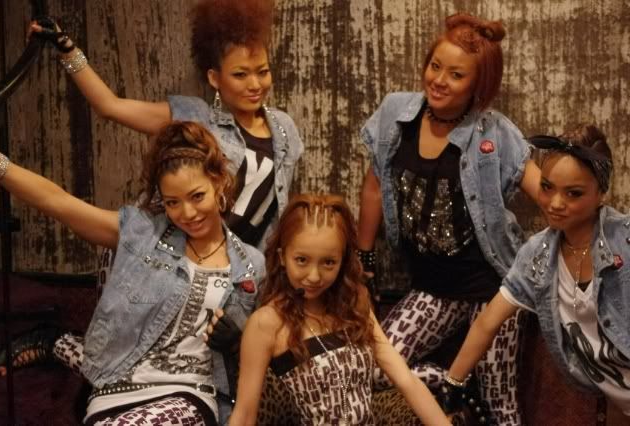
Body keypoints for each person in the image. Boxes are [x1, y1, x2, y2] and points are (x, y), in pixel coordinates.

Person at [0, 121, 265, 425]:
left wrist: (237, 341)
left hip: (187, 394)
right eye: (172, 202)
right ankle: (58, 342)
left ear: (218, 183)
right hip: (114, 390)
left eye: (197, 196)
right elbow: (58, 202)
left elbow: (263, 351)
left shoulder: (251, 266)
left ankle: (57, 343)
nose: (187, 213)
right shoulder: (142, 233)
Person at [356, 13, 541, 425]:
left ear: (478, 85)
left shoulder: (494, 132)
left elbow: (549, 195)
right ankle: (456, 383)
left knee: (501, 405)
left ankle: (475, 388)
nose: (439, 80)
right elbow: (373, 187)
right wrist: (363, 257)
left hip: (493, 290)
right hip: (433, 287)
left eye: (456, 75)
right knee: (374, 369)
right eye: (434, 66)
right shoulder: (396, 115)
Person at [30, 0, 303, 251]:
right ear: (215, 78)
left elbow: (278, 212)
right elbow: (109, 106)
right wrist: (67, 48)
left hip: (240, 268)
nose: (255, 84)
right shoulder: (196, 117)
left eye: (262, 72)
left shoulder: (284, 129)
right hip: (176, 259)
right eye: (240, 75)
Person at [440, 124, 629, 420]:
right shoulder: (537, 256)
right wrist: (452, 383)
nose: (555, 203)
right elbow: (487, 323)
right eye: (547, 187)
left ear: (601, 193)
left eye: (573, 193)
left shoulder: (625, 240)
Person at [226, 193, 451, 425]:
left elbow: (406, 380)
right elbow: (244, 416)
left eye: (328, 262)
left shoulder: (354, 304)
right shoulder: (266, 323)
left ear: (342, 261)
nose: (314, 276)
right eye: (301, 260)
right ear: (283, 257)